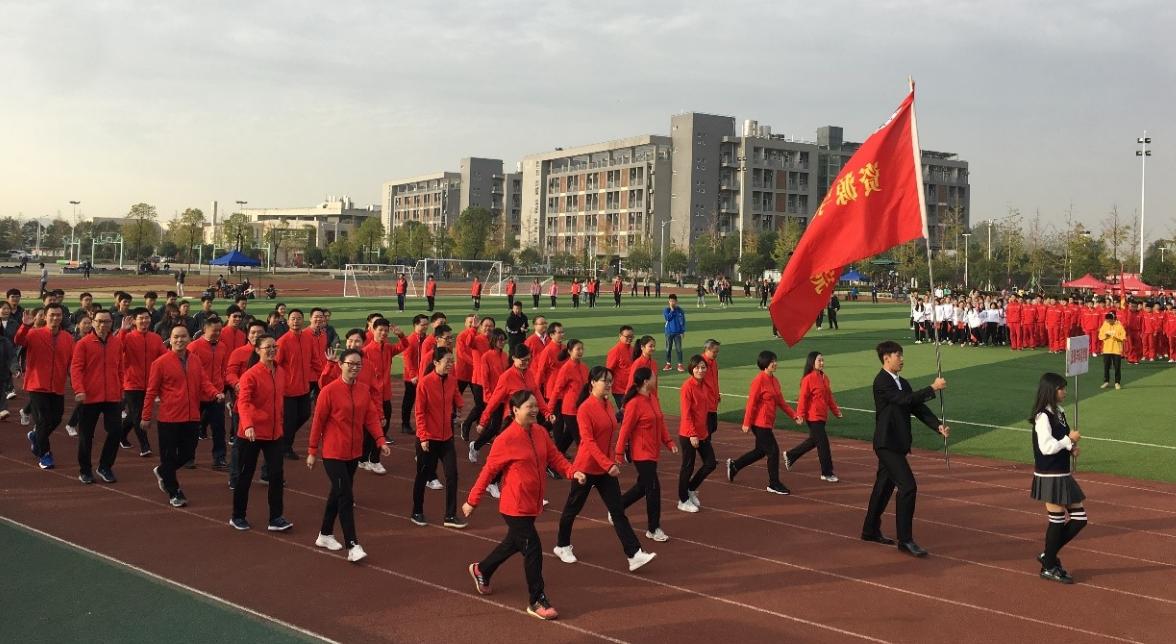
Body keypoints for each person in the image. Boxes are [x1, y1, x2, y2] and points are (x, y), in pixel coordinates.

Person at [463, 391, 585, 621]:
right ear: (515, 410)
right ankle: (536, 599)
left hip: (531, 503)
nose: (534, 409)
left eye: (535, 405)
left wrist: (572, 471)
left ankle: (482, 570)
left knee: (514, 543)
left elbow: (554, 456)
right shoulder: (506, 439)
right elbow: (488, 471)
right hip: (514, 505)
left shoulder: (540, 432)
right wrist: (472, 500)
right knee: (533, 548)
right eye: (529, 406)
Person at [553, 366, 657, 570]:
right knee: (573, 508)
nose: (609, 384)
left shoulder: (608, 404)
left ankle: (634, 553)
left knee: (617, 510)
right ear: (592, 382)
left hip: (605, 469)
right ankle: (562, 545)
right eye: (604, 381)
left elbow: (609, 436)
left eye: (610, 381)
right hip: (586, 468)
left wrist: (613, 458)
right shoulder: (584, 409)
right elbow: (588, 442)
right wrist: (608, 464)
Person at [861, 340, 949, 557]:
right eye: (898, 355)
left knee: (883, 487)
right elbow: (903, 400)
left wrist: (937, 426)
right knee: (908, 487)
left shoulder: (902, 382)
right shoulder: (882, 381)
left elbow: (916, 407)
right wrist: (932, 388)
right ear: (886, 358)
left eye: (901, 355)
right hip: (886, 444)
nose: (902, 359)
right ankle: (905, 540)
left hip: (898, 443)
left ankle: (869, 530)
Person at [308, 348, 390, 563]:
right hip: (333, 453)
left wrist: (380, 440)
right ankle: (352, 545)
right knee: (346, 496)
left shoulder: (363, 390)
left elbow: (370, 417)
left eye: (358, 364)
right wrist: (312, 450)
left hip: (354, 453)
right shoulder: (329, 391)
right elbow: (318, 422)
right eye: (350, 364)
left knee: (337, 493)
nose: (354, 367)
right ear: (341, 365)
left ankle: (325, 534)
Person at [142, 324, 224, 507]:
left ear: (189, 338)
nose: (179, 340)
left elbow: (204, 381)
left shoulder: (194, 360)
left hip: (191, 416)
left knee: (188, 454)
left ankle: (163, 471)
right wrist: (146, 416)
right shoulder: (160, 363)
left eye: (183, 336)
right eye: (176, 337)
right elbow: (151, 391)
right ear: (170, 340)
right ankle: (174, 492)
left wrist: (215, 393)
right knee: (169, 456)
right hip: (169, 418)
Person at [1028, 372, 1087, 584]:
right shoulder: (1042, 416)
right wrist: (1068, 441)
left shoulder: (1059, 411)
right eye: (1061, 388)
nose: (1065, 392)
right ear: (1051, 391)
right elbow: (1046, 447)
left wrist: (1071, 448)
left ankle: (1048, 556)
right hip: (1050, 474)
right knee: (1057, 520)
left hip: (1062, 473)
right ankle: (1049, 566)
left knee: (1080, 519)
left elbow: (1061, 439)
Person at [231, 334, 293, 532]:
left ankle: (276, 517)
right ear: (258, 350)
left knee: (276, 475)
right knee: (245, 475)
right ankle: (238, 516)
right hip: (250, 434)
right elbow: (243, 402)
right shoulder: (250, 375)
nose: (272, 350)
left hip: (274, 433)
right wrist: (248, 424)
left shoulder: (280, 371)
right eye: (268, 347)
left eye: (275, 347)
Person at [615, 367, 677, 541]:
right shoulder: (634, 404)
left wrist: (669, 442)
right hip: (641, 453)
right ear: (645, 381)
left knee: (643, 486)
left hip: (653, 451)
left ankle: (617, 508)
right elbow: (625, 430)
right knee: (653, 488)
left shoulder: (653, 399)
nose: (656, 379)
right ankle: (653, 528)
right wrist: (619, 452)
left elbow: (660, 422)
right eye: (653, 377)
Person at [727, 350, 798, 494]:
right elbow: (751, 403)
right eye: (772, 361)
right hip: (759, 423)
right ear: (765, 364)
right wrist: (746, 423)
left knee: (760, 451)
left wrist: (794, 415)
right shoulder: (758, 381)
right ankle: (774, 483)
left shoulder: (775, 381)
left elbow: (781, 402)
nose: (775, 363)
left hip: (768, 422)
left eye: (775, 361)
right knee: (773, 451)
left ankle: (735, 466)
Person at [411, 347, 466, 528]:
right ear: (436, 362)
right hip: (428, 439)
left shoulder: (452, 380)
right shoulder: (425, 383)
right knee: (423, 475)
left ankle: (450, 515)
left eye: (452, 361)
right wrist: (423, 437)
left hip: (446, 438)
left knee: (452, 475)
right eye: (447, 361)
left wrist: (459, 406)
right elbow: (419, 412)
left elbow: (456, 396)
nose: (451, 364)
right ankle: (417, 511)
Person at [15, 303, 74, 470]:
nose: (55, 318)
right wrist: (25, 326)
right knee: (43, 420)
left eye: (58, 315)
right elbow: (18, 340)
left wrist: (76, 382)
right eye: (52, 315)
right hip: (37, 385)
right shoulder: (34, 333)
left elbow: (72, 361)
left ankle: (36, 436)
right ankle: (45, 454)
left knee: (56, 419)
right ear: (45, 317)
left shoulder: (67, 338)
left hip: (57, 385)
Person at [69, 309, 123, 484]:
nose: (103, 325)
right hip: (89, 397)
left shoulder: (117, 343)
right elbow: (76, 369)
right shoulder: (83, 344)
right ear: (93, 322)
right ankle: (85, 470)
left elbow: (120, 368)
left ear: (111, 323)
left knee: (116, 431)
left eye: (106, 321)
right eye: (99, 321)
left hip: (112, 396)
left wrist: (120, 388)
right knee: (86, 436)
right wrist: (79, 390)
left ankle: (105, 466)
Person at [784, 351, 843, 482]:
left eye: (822, 360)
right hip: (813, 417)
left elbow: (829, 397)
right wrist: (800, 415)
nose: (822, 363)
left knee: (813, 441)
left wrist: (836, 411)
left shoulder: (825, 378)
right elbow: (803, 399)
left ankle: (790, 455)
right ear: (812, 362)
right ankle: (827, 473)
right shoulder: (808, 379)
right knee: (823, 444)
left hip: (822, 416)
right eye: (819, 360)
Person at [276, 309, 325, 459]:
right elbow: (275, 364)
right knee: (290, 420)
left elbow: (315, 360)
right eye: (293, 318)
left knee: (304, 415)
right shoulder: (283, 341)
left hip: (304, 387)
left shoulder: (308, 339)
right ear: (288, 321)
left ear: (303, 320)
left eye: (298, 318)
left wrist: (324, 376)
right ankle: (285, 447)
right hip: (288, 390)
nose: (296, 321)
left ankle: (282, 438)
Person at [187, 315, 229, 469]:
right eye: (214, 330)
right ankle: (188, 457)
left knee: (219, 428)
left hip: (216, 394)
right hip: (197, 395)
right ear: (205, 329)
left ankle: (220, 458)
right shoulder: (193, 347)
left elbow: (223, 368)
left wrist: (221, 386)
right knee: (192, 428)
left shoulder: (222, 347)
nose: (217, 333)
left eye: (219, 330)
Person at [677, 355, 715, 512]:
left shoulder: (704, 385)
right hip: (689, 434)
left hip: (702, 432)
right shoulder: (687, 387)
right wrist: (692, 434)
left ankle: (690, 488)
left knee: (710, 463)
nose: (700, 370)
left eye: (703, 367)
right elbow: (686, 413)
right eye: (697, 367)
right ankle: (683, 500)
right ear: (692, 369)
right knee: (688, 467)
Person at [605, 325, 635, 414]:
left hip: (631, 388)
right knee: (627, 414)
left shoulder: (632, 349)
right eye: (627, 336)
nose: (630, 338)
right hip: (620, 390)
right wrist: (606, 390)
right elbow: (608, 371)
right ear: (620, 336)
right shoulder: (615, 351)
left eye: (631, 336)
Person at [1098, 311, 1126, 389]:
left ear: (1113, 319)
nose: (1108, 322)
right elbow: (1100, 336)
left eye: (1109, 320)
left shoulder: (1119, 325)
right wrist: (1105, 336)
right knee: (1106, 367)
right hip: (1107, 350)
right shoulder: (1105, 325)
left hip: (1116, 350)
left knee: (1117, 367)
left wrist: (1115, 337)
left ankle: (1117, 383)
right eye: (1107, 320)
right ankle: (1106, 381)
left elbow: (1123, 336)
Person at [700, 339, 721, 436]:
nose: (716, 354)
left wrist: (717, 394)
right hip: (704, 403)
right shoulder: (700, 364)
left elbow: (715, 380)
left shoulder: (714, 362)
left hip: (713, 400)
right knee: (707, 430)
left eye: (717, 352)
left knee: (713, 427)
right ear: (707, 349)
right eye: (714, 352)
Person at [662, 294, 685, 372]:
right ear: (668, 301)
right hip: (669, 332)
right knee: (668, 349)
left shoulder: (680, 310)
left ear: (676, 301)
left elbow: (682, 321)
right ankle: (668, 364)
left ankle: (680, 365)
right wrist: (672, 310)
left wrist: (682, 331)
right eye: (671, 301)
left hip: (678, 333)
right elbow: (667, 318)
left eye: (674, 301)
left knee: (679, 349)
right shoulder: (666, 310)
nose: (672, 303)